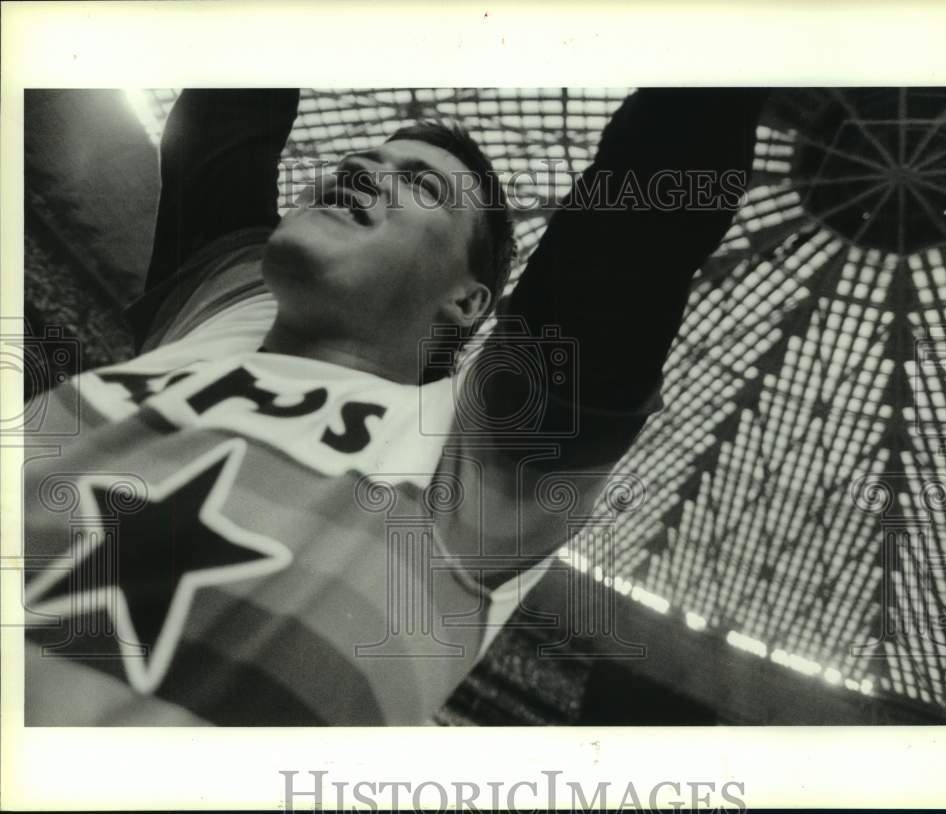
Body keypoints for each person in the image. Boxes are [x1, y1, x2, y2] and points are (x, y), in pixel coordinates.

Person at [22, 87, 764, 725]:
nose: (364, 172)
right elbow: (228, 109)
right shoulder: (230, 301)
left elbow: (636, 230)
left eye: (423, 187)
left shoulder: (480, 462)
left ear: (468, 301)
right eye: (366, 162)